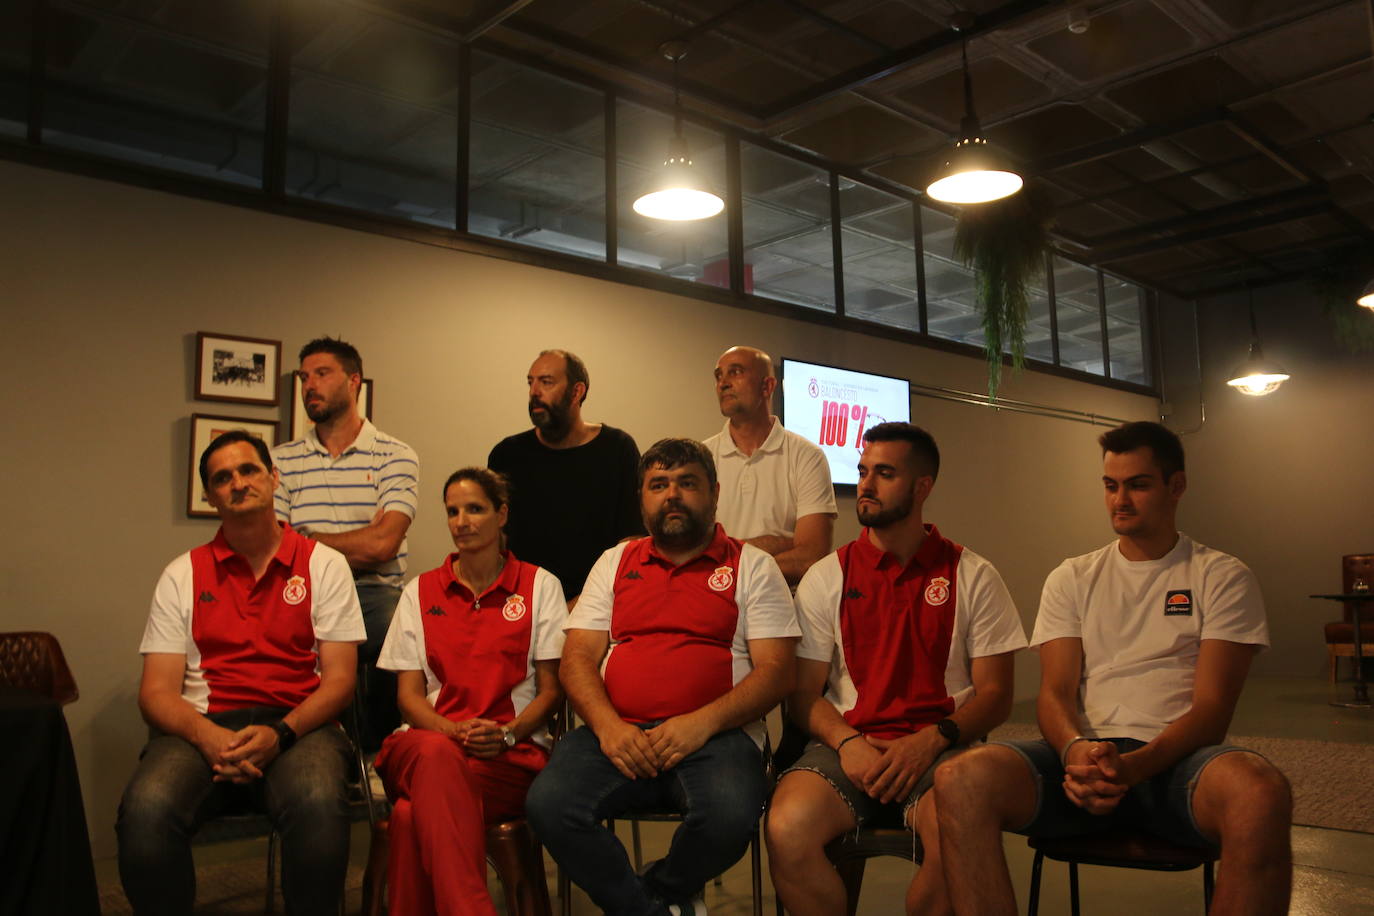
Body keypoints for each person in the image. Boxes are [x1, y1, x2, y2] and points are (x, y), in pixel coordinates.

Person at [934, 421, 1292, 916]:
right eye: (1110, 485)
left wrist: (1136, 767)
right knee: (960, 778)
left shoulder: (1221, 576)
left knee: (1261, 791)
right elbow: (1055, 694)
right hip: (1083, 766)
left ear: (1177, 486)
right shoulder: (1073, 576)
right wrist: (1077, 750)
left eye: (1138, 484)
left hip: (1176, 765)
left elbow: (1212, 710)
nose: (1119, 500)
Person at [526, 438, 800, 916]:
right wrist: (609, 727)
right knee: (550, 805)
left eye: (686, 482)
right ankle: (652, 910)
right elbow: (576, 659)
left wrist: (701, 723)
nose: (672, 494)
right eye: (658, 485)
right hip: (616, 733)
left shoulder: (752, 566)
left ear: (714, 493)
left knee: (731, 816)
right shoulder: (615, 562)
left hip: (718, 738)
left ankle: (660, 887)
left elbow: (778, 672)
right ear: (642, 499)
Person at [766, 422, 1025, 916]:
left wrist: (931, 739)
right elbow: (802, 695)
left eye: (884, 473)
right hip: (848, 750)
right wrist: (848, 743)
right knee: (786, 827)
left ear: (922, 487)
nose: (865, 485)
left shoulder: (973, 574)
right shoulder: (828, 576)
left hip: (942, 753)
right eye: (863, 471)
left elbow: (996, 696)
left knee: (959, 839)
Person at [117, 430, 365, 916]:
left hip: (299, 726)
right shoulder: (182, 574)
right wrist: (208, 737)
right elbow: (156, 692)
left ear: (273, 478)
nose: (238, 483)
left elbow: (340, 681)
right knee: (145, 812)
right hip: (203, 728)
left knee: (317, 804)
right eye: (222, 478)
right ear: (210, 497)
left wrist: (280, 733)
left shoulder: (325, 566)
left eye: (249, 470)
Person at [374, 467, 566, 916]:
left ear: (502, 515)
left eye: (475, 509)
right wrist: (452, 732)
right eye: (453, 512)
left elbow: (551, 691)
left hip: (507, 757)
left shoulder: (540, 586)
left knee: (407, 816)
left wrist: (508, 734)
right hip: (425, 746)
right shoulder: (418, 592)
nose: (462, 521)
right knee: (437, 757)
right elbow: (408, 698)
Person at [272, 336, 419, 750]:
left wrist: (309, 539)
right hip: (304, 591)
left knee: (398, 627)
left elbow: (384, 545)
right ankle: (323, 751)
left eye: (321, 374)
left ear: (354, 381)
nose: (308, 386)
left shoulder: (395, 455)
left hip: (374, 592)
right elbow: (277, 549)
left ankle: (380, 755)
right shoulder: (281, 461)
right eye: (304, 377)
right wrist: (355, 541)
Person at [488, 349, 643, 603]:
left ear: (576, 392)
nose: (534, 391)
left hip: (598, 607)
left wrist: (584, 606)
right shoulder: (507, 455)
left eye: (546, 382)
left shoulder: (617, 448)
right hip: (520, 605)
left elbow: (631, 544)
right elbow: (496, 542)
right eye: (530, 382)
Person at [705, 345, 836, 585]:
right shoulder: (702, 458)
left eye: (735, 372)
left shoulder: (807, 456)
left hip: (783, 606)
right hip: (713, 604)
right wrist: (783, 542)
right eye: (718, 375)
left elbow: (811, 556)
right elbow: (691, 549)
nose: (723, 382)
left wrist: (729, 568)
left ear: (768, 386)